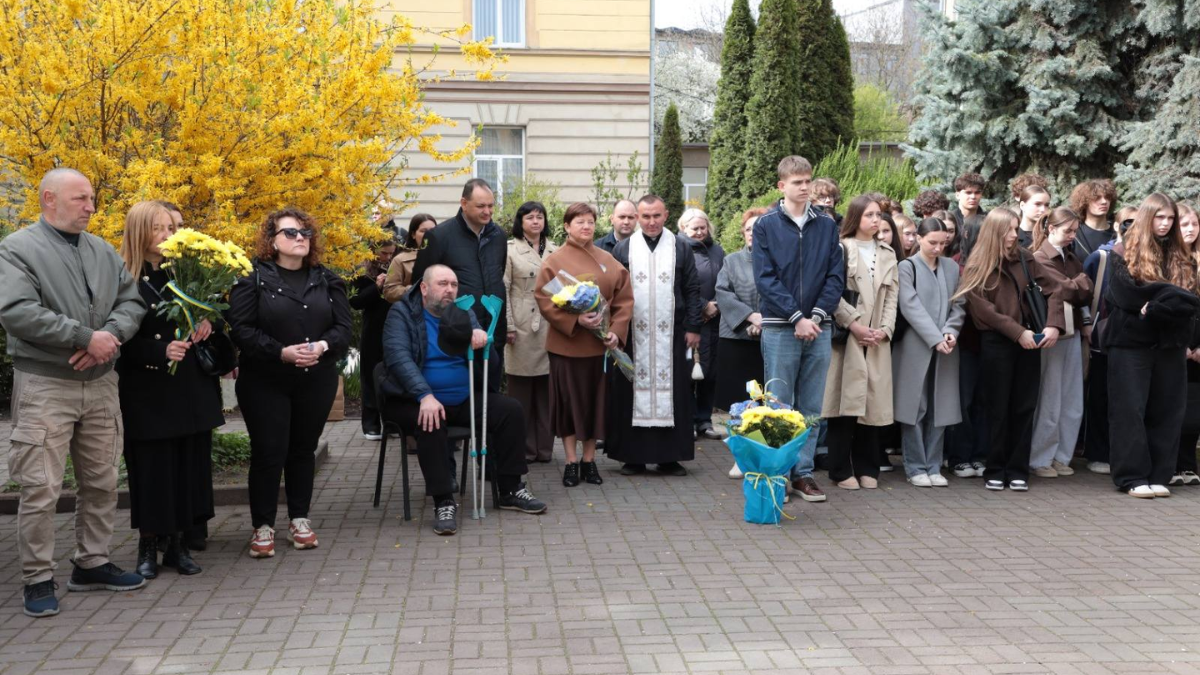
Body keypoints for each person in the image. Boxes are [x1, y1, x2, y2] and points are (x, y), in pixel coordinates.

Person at [0, 168, 148, 617]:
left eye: (92, 198)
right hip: (46, 385)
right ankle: (37, 578)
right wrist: (84, 337)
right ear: (49, 199)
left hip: (101, 383)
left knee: (102, 480)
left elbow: (131, 302)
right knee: (41, 487)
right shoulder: (17, 249)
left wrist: (109, 336)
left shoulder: (101, 250)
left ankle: (92, 563)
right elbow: (16, 311)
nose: (91, 207)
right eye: (81, 198)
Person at [381, 265, 547, 534]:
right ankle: (443, 501)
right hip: (412, 399)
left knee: (510, 410)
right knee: (431, 421)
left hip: (463, 397)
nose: (450, 290)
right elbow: (398, 358)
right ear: (424, 288)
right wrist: (425, 395)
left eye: (454, 285)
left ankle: (510, 489)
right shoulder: (402, 314)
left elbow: (490, 365)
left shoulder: (463, 312)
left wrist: (484, 343)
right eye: (443, 284)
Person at [227, 207, 352, 558]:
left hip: (315, 379)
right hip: (265, 380)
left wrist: (322, 346)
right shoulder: (251, 278)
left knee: (302, 450)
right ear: (272, 240)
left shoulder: (327, 279)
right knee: (269, 451)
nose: (300, 238)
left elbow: (344, 328)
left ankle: (299, 519)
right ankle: (262, 525)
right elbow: (241, 329)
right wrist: (281, 352)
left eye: (305, 233)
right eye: (291, 233)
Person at [117, 201, 228, 579]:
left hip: (189, 388)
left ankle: (178, 545)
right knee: (151, 471)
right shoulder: (123, 280)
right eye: (159, 228)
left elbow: (214, 314)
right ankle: (149, 544)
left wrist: (209, 323)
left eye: (171, 228)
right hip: (148, 390)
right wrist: (158, 351)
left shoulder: (186, 274)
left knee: (186, 468)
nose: (168, 235)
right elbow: (115, 339)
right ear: (139, 232)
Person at [952, 208, 1067, 492]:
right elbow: (984, 311)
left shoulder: (1025, 258)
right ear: (995, 231)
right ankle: (995, 468)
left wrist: (1053, 325)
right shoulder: (978, 264)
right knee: (997, 407)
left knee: (1024, 406)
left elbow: (1056, 290)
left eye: (1016, 229)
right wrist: (1018, 333)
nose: (1015, 235)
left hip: (1030, 341)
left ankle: (1017, 470)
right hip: (998, 342)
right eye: (1009, 230)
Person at [752, 156, 844, 503]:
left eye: (808, 181)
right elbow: (765, 279)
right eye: (797, 182)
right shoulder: (766, 225)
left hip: (819, 327)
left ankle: (803, 473)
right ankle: (777, 473)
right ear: (782, 186)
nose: (805, 187)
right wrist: (796, 317)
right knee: (779, 405)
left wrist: (816, 317)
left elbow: (835, 276)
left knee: (811, 407)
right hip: (781, 327)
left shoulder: (826, 225)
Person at [1104, 193, 1200, 498]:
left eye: (1170, 218)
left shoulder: (1181, 255)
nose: (1165, 223)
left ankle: (1160, 474)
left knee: (1167, 410)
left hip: (1171, 343)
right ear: (1148, 217)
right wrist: (1166, 297)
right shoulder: (1124, 250)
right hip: (1130, 342)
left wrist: (1155, 304)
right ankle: (1131, 476)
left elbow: (1189, 299)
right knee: (1129, 410)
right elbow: (1124, 295)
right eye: (1160, 217)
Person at [535, 203, 633, 486]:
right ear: (567, 226)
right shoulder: (554, 261)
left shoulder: (608, 259)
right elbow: (544, 299)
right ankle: (570, 461)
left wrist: (615, 331)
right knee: (568, 404)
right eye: (580, 222)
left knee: (594, 404)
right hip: (566, 346)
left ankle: (589, 460)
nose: (586, 227)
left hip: (597, 347)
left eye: (590, 221)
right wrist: (575, 320)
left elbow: (624, 299)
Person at [607, 195, 704, 476]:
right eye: (646, 216)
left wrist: (694, 327)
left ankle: (669, 457)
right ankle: (633, 457)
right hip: (633, 335)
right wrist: (615, 329)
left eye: (656, 216)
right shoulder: (623, 248)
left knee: (675, 391)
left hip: (673, 333)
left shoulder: (680, 247)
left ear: (666, 215)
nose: (651, 222)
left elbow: (692, 288)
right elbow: (614, 291)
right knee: (629, 391)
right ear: (638, 217)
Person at [823, 195, 898, 491]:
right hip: (849, 338)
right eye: (869, 215)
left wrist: (885, 329)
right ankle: (840, 469)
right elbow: (832, 291)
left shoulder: (888, 253)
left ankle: (868, 467)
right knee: (845, 403)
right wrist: (854, 323)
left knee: (873, 405)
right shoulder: (841, 248)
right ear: (856, 217)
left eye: (878, 214)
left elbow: (892, 296)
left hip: (877, 339)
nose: (876, 220)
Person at [892, 217, 965, 487]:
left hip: (946, 346)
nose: (938, 248)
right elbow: (910, 306)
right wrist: (935, 337)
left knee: (941, 406)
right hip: (915, 346)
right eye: (932, 242)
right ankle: (915, 466)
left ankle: (934, 465)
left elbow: (959, 303)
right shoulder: (907, 266)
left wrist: (951, 331)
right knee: (915, 406)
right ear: (919, 239)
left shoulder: (951, 267)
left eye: (942, 243)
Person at [411, 179, 509, 372]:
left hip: (492, 333)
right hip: (455, 335)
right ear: (464, 203)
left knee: (491, 388)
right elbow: (419, 285)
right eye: (480, 206)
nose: (487, 211)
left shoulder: (499, 236)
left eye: (491, 206)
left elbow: (499, 273)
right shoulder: (439, 236)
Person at [1028, 208, 1094, 478]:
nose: (1072, 236)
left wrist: (1076, 285)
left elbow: (1083, 292)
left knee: (1071, 398)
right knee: (1051, 396)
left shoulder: (1071, 257)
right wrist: (1078, 284)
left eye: (1075, 231)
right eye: (1068, 230)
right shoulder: (1040, 257)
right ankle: (1040, 458)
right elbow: (1062, 289)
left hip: (1072, 330)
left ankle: (1061, 455)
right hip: (1053, 333)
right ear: (1051, 228)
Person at [1081, 209, 1137, 476]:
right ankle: (1098, 452)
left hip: (1133, 339)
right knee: (1100, 395)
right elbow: (1084, 294)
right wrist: (1087, 325)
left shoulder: (1145, 258)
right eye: (1127, 223)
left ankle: (1120, 452)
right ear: (1116, 226)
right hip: (1102, 337)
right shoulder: (1101, 257)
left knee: (1126, 398)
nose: (1132, 228)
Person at [504, 201, 559, 463]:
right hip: (522, 323)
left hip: (550, 324)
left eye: (540, 217)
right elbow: (504, 288)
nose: (536, 221)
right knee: (521, 392)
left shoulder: (555, 249)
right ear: (521, 221)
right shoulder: (509, 250)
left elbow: (562, 287)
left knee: (547, 392)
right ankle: (524, 449)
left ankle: (545, 449)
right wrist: (508, 325)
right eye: (530, 217)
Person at [715, 208, 767, 478]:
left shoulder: (778, 261)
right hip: (736, 341)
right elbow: (723, 294)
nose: (752, 234)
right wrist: (750, 316)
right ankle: (741, 457)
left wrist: (764, 320)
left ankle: (760, 454)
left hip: (767, 342)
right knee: (739, 403)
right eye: (748, 230)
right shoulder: (731, 261)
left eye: (758, 230)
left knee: (761, 400)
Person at [679, 207, 726, 440]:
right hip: (690, 322)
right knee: (688, 372)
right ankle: (686, 420)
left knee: (710, 373)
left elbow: (726, 281)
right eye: (694, 228)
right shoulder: (678, 249)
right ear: (683, 228)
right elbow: (679, 285)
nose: (700, 232)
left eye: (703, 227)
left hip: (715, 321)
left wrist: (715, 305)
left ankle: (704, 420)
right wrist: (703, 305)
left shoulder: (717, 251)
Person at [351, 236, 398, 440]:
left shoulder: (397, 266)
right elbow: (355, 301)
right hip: (373, 328)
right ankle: (371, 423)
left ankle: (392, 422)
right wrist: (376, 287)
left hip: (395, 326)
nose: (387, 257)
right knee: (371, 374)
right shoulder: (361, 271)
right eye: (384, 253)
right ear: (373, 250)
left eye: (391, 253)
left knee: (394, 373)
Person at [1171, 202, 1200, 486]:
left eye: (1194, 224)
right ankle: (1170, 464)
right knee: (1170, 407)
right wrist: (1180, 345)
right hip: (1174, 345)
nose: (1190, 229)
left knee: (1193, 411)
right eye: (1184, 224)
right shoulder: (1168, 260)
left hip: (1198, 349)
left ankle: (1187, 464)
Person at [383, 214, 436, 303]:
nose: (428, 234)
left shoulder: (446, 256)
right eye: (423, 231)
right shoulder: (400, 260)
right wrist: (411, 290)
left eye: (432, 230)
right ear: (413, 234)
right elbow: (389, 291)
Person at [1069, 179, 1117, 257]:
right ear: (1084, 202)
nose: (1104, 201)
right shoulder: (1075, 233)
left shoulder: (1118, 232)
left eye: (1107, 197)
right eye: (1097, 198)